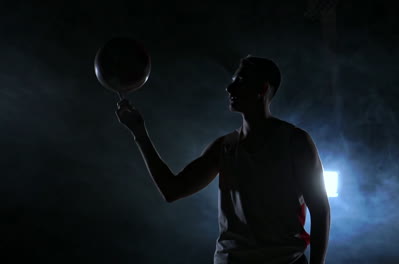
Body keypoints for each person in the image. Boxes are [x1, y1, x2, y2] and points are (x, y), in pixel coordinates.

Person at [115, 56, 330, 264]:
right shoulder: (225, 148)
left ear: (262, 89)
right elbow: (172, 190)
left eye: (240, 80)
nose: (230, 88)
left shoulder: (295, 142)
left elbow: (320, 211)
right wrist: (139, 133)